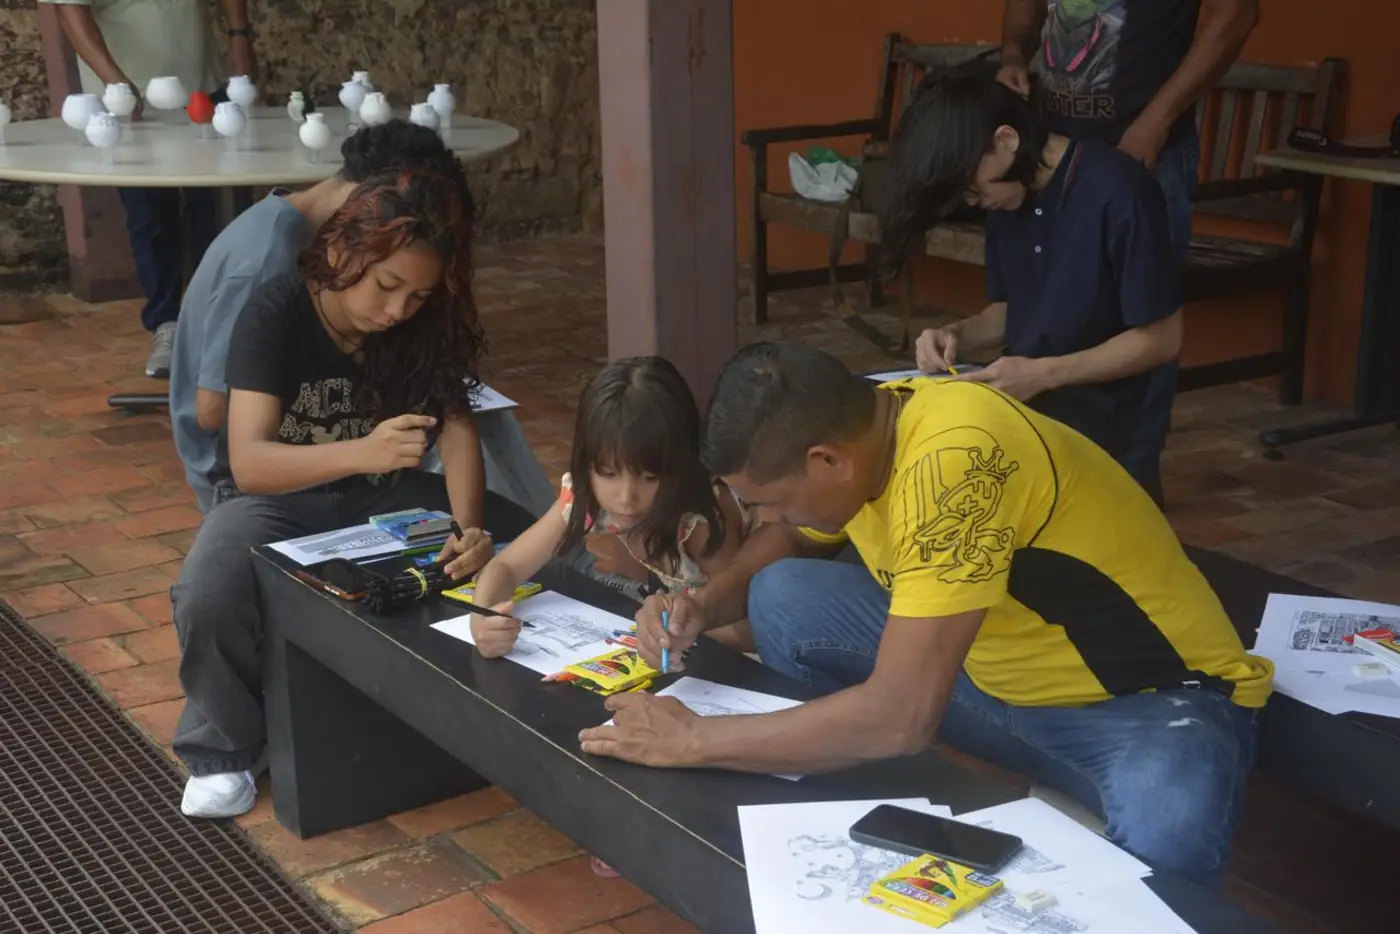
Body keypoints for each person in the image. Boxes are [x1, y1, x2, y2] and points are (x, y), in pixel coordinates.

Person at [580, 342, 1273, 889]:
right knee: (784, 593)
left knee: (1168, 829)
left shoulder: (957, 464)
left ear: (827, 461)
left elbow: (899, 717)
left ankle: (844, 753)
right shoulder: (869, 425)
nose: (764, 516)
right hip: (988, 677)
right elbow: (790, 540)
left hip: (1143, 707)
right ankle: (850, 783)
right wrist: (703, 602)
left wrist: (697, 740)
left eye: (767, 500)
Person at [172, 167, 533, 819]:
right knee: (208, 586)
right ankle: (224, 749)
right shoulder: (275, 311)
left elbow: (456, 429)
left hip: (384, 496)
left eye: (417, 297)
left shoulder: (419, 324)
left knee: (525, 544)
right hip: (276, 501)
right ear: (343, 252)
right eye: (386, 286)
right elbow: (249, 462)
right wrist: (362, 451)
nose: (396, 311)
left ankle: (486, 711)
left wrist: (468, 528)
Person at [470, 355, 750, 878]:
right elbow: (507, 565)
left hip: (733, 655)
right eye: (608, 473)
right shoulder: (589, 499)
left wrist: (682, 626)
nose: (626, 496)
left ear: (679, 466)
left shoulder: (700, 519)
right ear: (588, 463)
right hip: (673, 633)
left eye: (649, 476)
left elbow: (751, 624)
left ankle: (655, 830)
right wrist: (483, 617)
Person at [996, 0, 1260, 496]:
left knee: (1143, 321)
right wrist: (1012, 54)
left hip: (1141, 150)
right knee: (1051, 308)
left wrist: (1156, 121)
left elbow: (1236, 14)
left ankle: (1134, 495)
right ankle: (1062, 489)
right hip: (1051, 149)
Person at [882, 71, 1181, 500]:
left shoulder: (1118, 191)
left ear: (1006, 140)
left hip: (1099, 414)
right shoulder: (1008, 193)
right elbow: (1012, 310)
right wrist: (955, 334)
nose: (975, 202)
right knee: (906, 436)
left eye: (973, 190)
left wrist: (1043, 373)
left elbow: (1163, 339)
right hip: (1028, 399)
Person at [44, 0, 257, 378]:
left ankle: (223, 321)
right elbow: (70, 10)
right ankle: (167, 324)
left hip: (203, 87)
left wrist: (240, 35)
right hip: (129, 99)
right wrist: (115, 82)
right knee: (151, 215)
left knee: (219, 211)